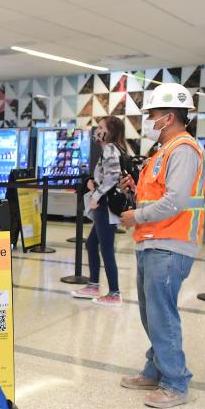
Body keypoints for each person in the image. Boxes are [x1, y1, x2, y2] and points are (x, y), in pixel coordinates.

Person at [118, 83, 205, 409]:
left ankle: (176, 383)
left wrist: (136, 215)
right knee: (151, 314)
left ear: (168, 117)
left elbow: (176, 201)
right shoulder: (163, 151)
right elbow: (155, 194)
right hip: (152, 242)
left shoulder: (183, 149)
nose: (149, 121)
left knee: (162, 314)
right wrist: (133, 191)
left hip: (170, 244)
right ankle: (155, 370)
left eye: (152, 115)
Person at [72, 117, 125, 306]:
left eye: (101, 127)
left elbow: (113, 176)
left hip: (105, 205)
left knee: (106, 248)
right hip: (105, 204)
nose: (98, 130)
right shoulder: (113, 149)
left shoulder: (110, 148)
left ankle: (114, 293)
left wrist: (96, 196)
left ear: (110, 131)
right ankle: (93, 284)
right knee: (92, 244)